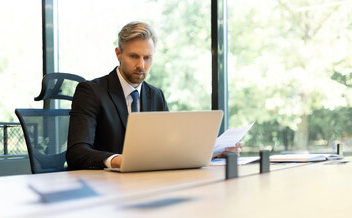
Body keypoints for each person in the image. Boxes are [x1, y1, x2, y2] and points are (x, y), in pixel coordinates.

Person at [66, 21, 242, 170]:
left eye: (147, 57)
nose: (141, 65)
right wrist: (119, 160)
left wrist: (213, 151)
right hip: (104, 186)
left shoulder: (156, 95)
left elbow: (169, 147)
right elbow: (77, 153)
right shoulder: (91, 91)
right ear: (118, 54)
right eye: (134, 56)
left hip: (149, 182)